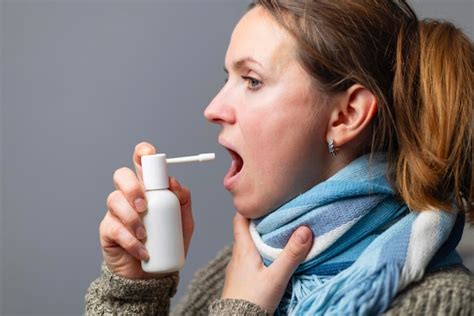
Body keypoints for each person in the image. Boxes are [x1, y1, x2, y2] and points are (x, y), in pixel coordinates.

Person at [85, 0, 473, 315]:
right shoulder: (237, 270)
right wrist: (133, 293)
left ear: (346, 116)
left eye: (252, 80)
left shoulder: (441, 303)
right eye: (228, 79)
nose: (213, 108)